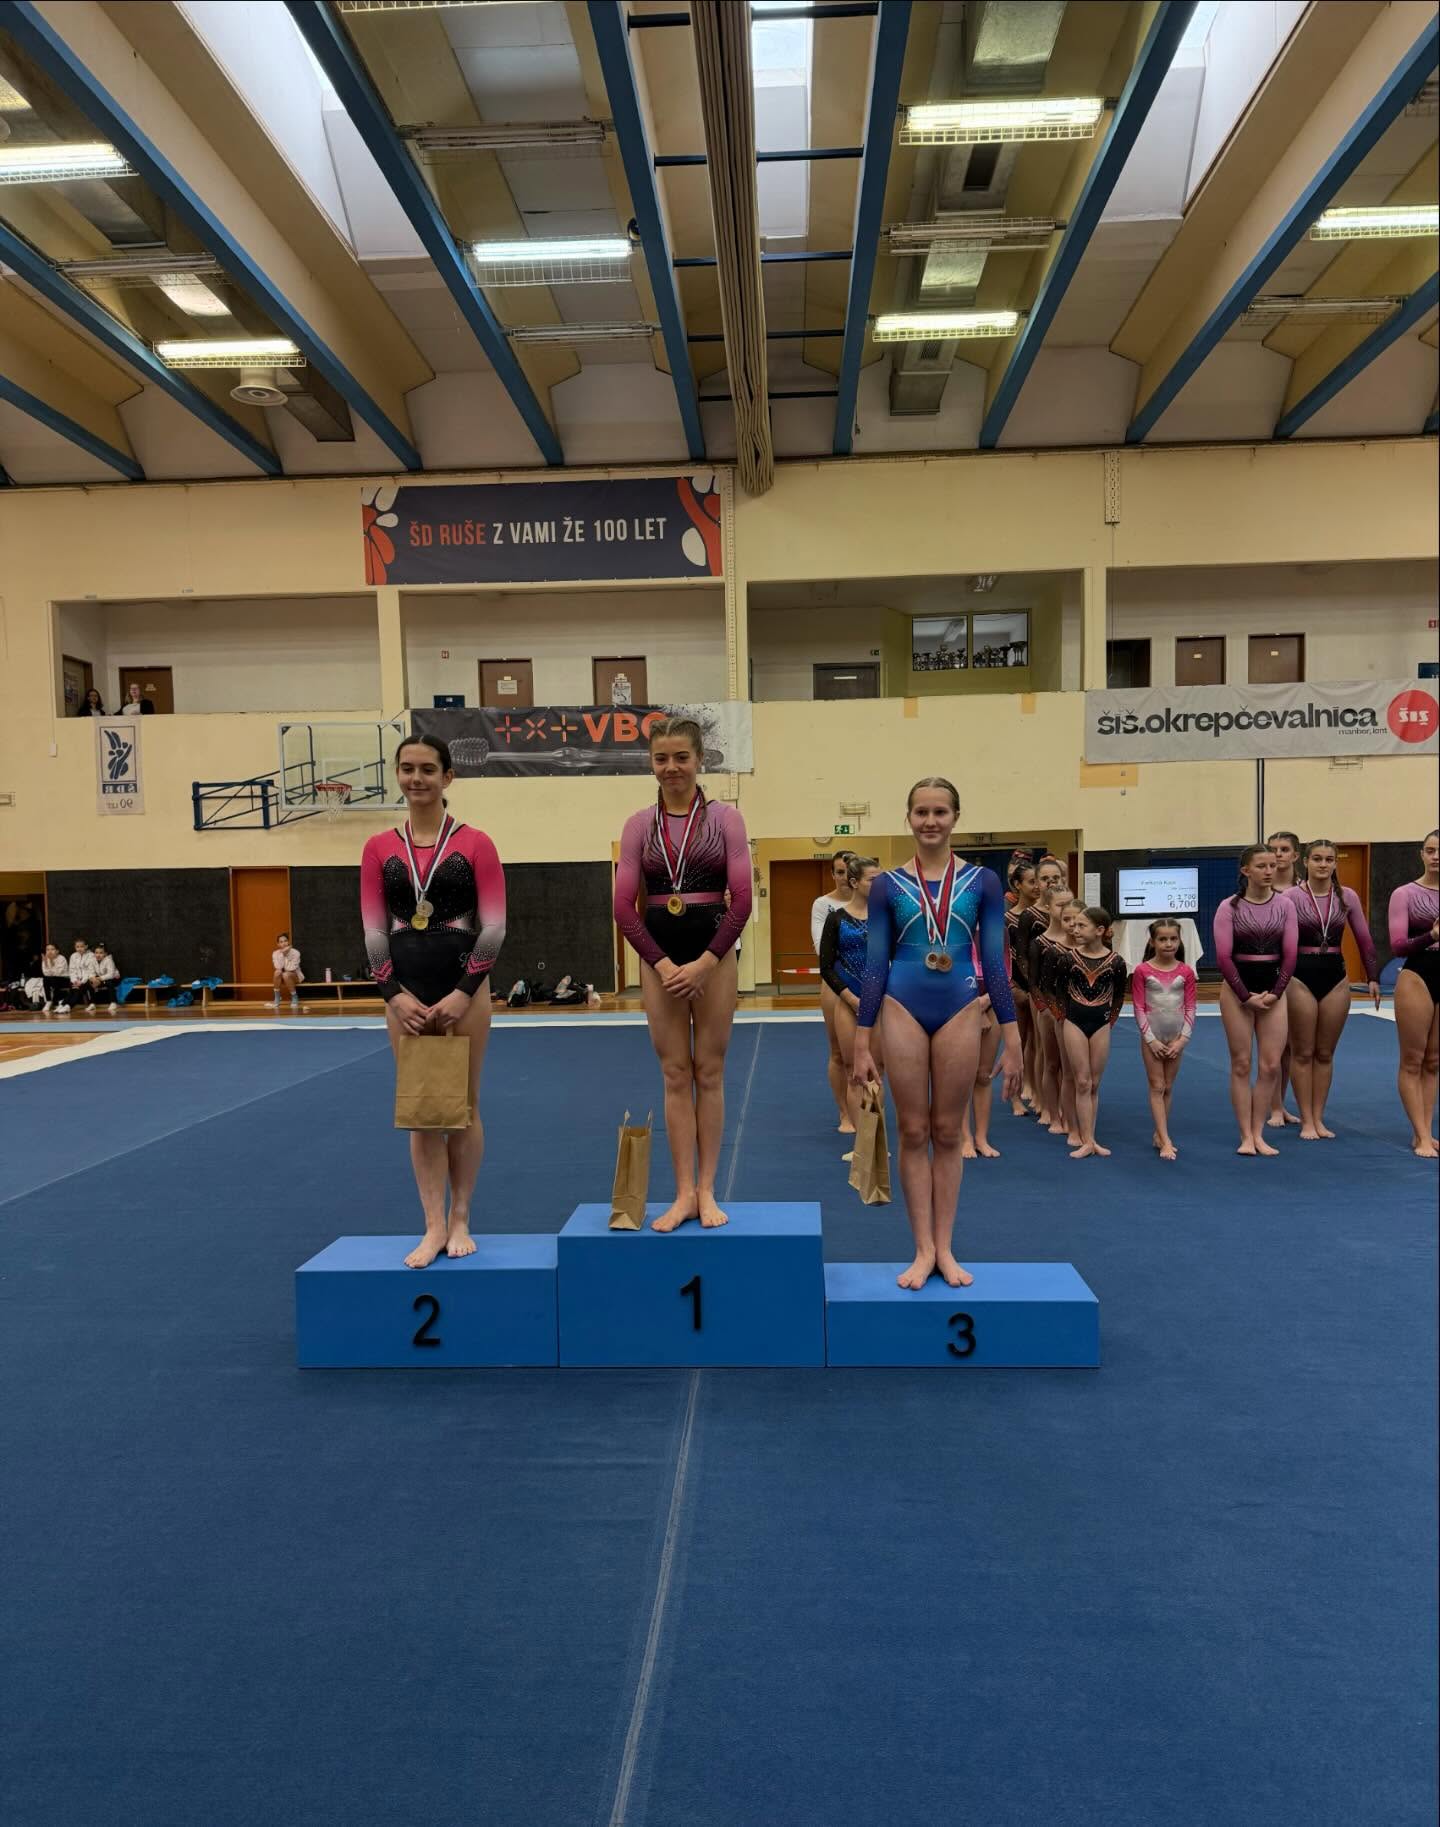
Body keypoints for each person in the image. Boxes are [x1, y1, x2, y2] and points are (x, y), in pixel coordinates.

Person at [850, 778, 1020, 1290]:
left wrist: (1012, 1037)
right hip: (901, 1004)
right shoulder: (887, 886)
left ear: (955, 817)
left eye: (940, 812)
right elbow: (875, 965)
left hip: (960, 1007)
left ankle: (945, 1247)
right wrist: (861, 1040)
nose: (930, 821)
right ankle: (922, 1248)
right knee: (912, 1130)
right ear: (908, 818)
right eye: (921, 811)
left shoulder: (983, 882)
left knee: (948, 1132)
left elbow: (994, 962)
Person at [361, 734, 506, 1268]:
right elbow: (373, 929)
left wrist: (464, 992)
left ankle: (462, 1214)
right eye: (407, 768)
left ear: (448, 777)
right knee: (422, 1111)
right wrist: (393, 995)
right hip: (406, 992)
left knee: (463, 1107)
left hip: (465, 990)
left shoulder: (476, 843)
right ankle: (433, 1224)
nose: (416, 778)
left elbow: (494, 926)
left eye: (427, 769)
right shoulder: (379, 847)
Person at [613, 715, 752, 1231]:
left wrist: (706, 963)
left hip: (713, 955)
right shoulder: (638, 825)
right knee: (675, 1074)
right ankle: (682, 1193)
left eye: (681, 757)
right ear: (651, 763)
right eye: (661, 758)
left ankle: (707, 1189)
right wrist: (665, 964)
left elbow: (742, 900)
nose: (671, 767)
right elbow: (623, 906)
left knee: (709, 1072)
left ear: (700, 760)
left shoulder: (726, 820)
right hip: (661, 959)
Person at [1285, 841, 1380, 1140]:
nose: (1323, 864)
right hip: (1300, 976)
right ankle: (1306, 1120)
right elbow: (1278, 939)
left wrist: (1373, 977)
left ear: (1336, 863)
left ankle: (1319, 1117)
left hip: (1336, 976)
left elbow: (1364, 938)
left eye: (1329, 859)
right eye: (1317, 859)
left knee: (1325, 1053)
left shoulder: (1346, 896)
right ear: (1305, 862)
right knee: (1303, 1052)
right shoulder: (1291, 897)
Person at [1213, 844, 1298, 1157]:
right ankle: (1246, 1135)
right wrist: (1245, 997)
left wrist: (1276, 992)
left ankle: (1259, 1132)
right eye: (1261, 866)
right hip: (1238, 990)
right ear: (1245, 870)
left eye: (1272, 865)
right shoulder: (1229, 907)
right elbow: (1223, 957)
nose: (1269, 871)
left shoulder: (1285, 905)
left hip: (1274, 989)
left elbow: (1290, 955)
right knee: (1241, 1064)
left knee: (1271, 1065)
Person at [818, 856, 882, 1153]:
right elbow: (826, 967)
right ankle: (862, 1145)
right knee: (854, 1070)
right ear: (855, 882)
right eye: (872, 880)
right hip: (849, 1001)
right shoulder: (836, 919)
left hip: (879, 1002)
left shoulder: (885, 918)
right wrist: (851, 999)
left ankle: (874, 1139)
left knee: (876, 1072)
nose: (878, 885)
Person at [1055, 906, 1126, 1159]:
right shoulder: (1068, 959)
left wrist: (1108, 1021)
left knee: (1094, 1084)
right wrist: (1065, 1019)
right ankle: (1085, 1140)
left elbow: (1118, 997)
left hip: (1101, 1023)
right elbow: (1060, 994)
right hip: (1074, 1021)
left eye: (1081, 926)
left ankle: (1091, 1138)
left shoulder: (1116, 962)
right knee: (1082, 1081)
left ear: (1099, 930)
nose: (1075, 929)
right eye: (1074, 925)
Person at [1388, 828, 1439, 1158]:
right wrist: (1431, 935)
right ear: (1421, 854)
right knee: (1413, 1059)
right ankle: (1420, 1135)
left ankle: (1426, 1131)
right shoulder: (1404, 893)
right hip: (1418, 974)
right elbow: (1397, 946)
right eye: (1430, 850)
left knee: (1433, 1061)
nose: (1436, 856)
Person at [1132, 919, 1197, 1161]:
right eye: (1162, 939)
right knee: (1157, 1086)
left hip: (1176, 1037)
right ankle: (1166, 1140)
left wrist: (1183, 1040)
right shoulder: (1142, 970)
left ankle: (1159, 1133)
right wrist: (1150, 1040)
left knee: (1168, 1086)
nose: (1168, 944)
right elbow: (1139, 1007)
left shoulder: (1186, 971)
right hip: (1153, 1037)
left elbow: (1190, 1007)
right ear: (1152, 941)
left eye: (1173, 939)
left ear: (1179, 941)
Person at [813, 849, 858, 1136]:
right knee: (839, 1053)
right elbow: (823, 950)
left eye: (849, 872)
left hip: (868, 982)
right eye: (840, 872)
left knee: (869, 1054)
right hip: (835, 982)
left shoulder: (873, 904)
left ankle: (866, 1109)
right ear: (833, 874)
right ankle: (844, 1111)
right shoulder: (823, 905)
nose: (845, 877)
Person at [1015, 856, 1063, 1116]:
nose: (1050, 882)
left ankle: (1061, 1101)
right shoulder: (1029, 916)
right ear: (1037, 882)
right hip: (1039, 989)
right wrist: (1034, 986)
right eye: (1045, 879)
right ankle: (1041, 1098)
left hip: (1065, 990)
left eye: (1055, 878)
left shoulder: (1071, 911)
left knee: (1062, 1051)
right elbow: (1022, 956)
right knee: (1041, 1045)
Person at [1031, 879, 1076, 1138]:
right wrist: (1046, 1009)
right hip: (1048, 1011)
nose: (1066, 909)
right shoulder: (1040, 943)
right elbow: (1034, 983)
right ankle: (1051, 1112)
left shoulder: (1080, 939)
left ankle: (1069, 1113)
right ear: (1048, 908)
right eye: (1061, 905)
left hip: (1075, 1012)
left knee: (1072, 1069)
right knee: (1051, 1064)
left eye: (1070, 904)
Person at [1265, 829, 1303, 1128]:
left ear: (1296, 855)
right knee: (1274, 1044)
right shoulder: (1260, 889)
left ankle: (1283, 1102)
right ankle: (1274, 1107)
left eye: (1284, 849)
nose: (1278, 855)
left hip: (1301, 970)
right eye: (1273, 849)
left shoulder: (1304, 890)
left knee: (1292, 1045)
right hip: (1269, 969)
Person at [1004, 860, 1039, 1115]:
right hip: (1016, 985)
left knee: (1040, 1046)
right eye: (1031, 882)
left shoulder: (1045, 918)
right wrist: (1011, 986)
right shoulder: (1007, 920)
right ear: (1017, 885)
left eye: (1039, 881)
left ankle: (1038, 1091)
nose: (1037, 886)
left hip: (1041, 988)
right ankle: (1015, 1097)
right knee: (1018, 1043)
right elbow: (1002, 957)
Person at [271, 932, 303, 1010]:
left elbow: (291, 968)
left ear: (288, 942)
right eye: (281, 942)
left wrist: (286, 954)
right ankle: (277, 997)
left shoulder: (296, 953)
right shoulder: (275, 954)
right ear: (278, 944)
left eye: (285, 941)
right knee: (277, 972)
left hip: (294, 976)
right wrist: (283, 954)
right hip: (282, 977)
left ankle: (294, 996)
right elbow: (278, 967)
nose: (284, 943)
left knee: (286, 974)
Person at [67, 937, 98, 1010]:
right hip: (77, 979)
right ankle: (65, 1004)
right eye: (77, 947)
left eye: (81, 946)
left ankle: (68, 1005)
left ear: (86, 946)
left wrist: (81, 981)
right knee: (73, 988)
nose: (79, 948)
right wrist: (74, 980)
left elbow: (89, 971)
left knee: (80, 988)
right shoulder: (73, 956)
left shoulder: (91, 955)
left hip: (88, 978)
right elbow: (72, 970)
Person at [91, 942, 120, 1014]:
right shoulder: (92, 960)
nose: (98, 955)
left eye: (101, 953)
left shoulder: (109, 960)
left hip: (114, 978)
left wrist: (99, 979)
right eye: (96, 953)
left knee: (109, 982)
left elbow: (111, 974)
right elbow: (91, 972)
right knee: (90, 983)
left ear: (105, 954)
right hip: (101, 978)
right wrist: (93, 978)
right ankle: (92, 1003)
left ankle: (113, 1002)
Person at [40, 942, 68, 1013]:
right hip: (52, 979)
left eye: (52, 949)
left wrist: (52, 962)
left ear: (57, 951)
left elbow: (58, 973)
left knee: (54, 979)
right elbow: (45, 973)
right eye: (48, 949)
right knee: (45, 979)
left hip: (64, 979)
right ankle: (48, 1001)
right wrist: (46, 963)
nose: (50, 951)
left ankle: (59, 1001)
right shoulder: (45, 959)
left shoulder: (61, 958)